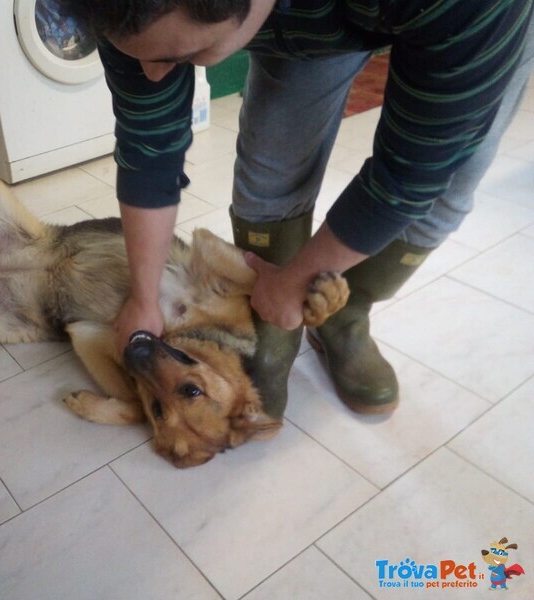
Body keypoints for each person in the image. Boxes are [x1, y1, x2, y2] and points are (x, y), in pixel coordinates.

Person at [58, 0, 534, 421]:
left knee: (452, 180)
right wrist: (144, 298)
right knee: (273, 161)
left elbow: (413, 172)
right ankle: (274, 329)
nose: (156, 74)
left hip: (465, 24)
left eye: (179, 57)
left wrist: (299, 282)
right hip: (301, 17)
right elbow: (148, 145)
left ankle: (346, 320)